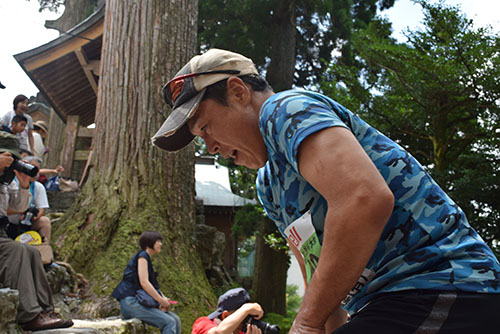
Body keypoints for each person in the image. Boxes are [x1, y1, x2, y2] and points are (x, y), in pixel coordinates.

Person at [152, 49, 500, 334]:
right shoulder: (269, 186)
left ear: (238, 92)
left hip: (447, 285)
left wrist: (305, 323)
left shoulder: (284, 109)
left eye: (206, 127)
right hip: (388, 304)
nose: (210, 146)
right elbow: (316, 270)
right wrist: (322, 324)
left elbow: (363, 198)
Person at [0, 132, 72, 331]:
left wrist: (23, 183)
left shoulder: (6, 180)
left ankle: (45, 310)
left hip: (2, 233)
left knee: (32, 251)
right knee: (17, 250)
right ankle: (29, 315)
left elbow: (19, 206)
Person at [111, 231, 181, 334]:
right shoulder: (142, 256)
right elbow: (144, 282)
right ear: (149, 243)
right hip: (131, 303)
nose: (160, 244)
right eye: (158, 241)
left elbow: (152, 286)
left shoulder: (147, 259)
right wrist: (161, 301)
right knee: (169, 322)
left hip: (137, 302)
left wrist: (163, 299)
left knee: (176, 319)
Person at [7, 156, 52, 243]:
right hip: (7, 222)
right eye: (30, 169)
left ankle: (45, 247)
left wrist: (33, 216)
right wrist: (20, 211)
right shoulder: (10, 183)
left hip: (27, 223)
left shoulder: (38, 186)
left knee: (44, 221)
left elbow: (41, 209)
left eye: (37, 170)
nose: (35, 173)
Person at [192, 287, 263, 334]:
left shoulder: (238, 331)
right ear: (225, 315)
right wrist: (246, 308)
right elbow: (219, 332)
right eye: (242, 316)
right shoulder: (202, 324)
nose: (245, 322)